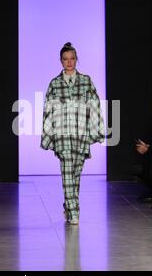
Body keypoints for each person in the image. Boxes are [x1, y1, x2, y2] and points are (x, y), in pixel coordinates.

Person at [41, 42, 104, 225]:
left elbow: (95, 105)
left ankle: (68, 205)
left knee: (76, 173)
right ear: (61, 61)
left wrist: (97, 130)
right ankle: (75, 211)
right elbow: (48, 110)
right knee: (67, 170)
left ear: (76, 60)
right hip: (62, 134)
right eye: (65, 59)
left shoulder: (86, 80)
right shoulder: (55, 83)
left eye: (72, 58)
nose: (69, 62)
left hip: (81, 133)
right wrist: (48, 135)